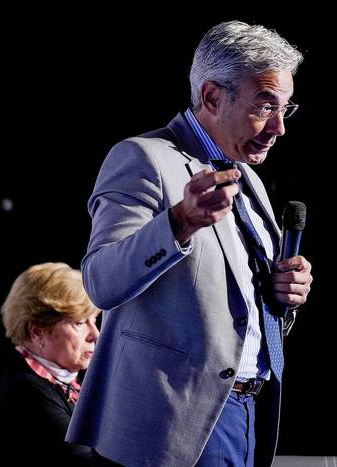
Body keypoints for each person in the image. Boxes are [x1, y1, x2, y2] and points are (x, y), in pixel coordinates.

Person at [66, 20, 313, 467]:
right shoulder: (143, 158)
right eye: (264, 106)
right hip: (172, 425)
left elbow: (241, 313)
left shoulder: (250, 179)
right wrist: (179, 222)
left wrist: (284, 298)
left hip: (249, 412)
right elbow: (100, 281)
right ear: (213, 97)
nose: (278, 127)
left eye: (285, 109)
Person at [0, 262, 100, 466]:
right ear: (37, 331)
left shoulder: (68, 380)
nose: (95, 334)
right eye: (80, 323)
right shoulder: (25, 392)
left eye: (94, 320)